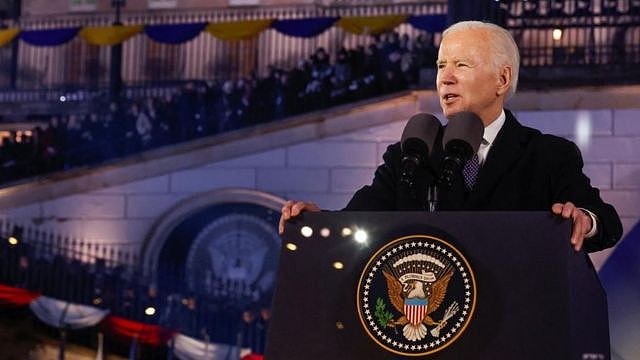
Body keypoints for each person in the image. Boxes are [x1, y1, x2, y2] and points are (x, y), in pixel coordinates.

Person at [279, 21, 622, 253]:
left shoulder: (548, 154)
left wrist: (583, 220)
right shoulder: (410, 154)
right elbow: (355, 222)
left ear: (502, 79)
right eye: (442, 65)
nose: (445, 78)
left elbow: (605, 221)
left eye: (461, 65)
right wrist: (317, 223)